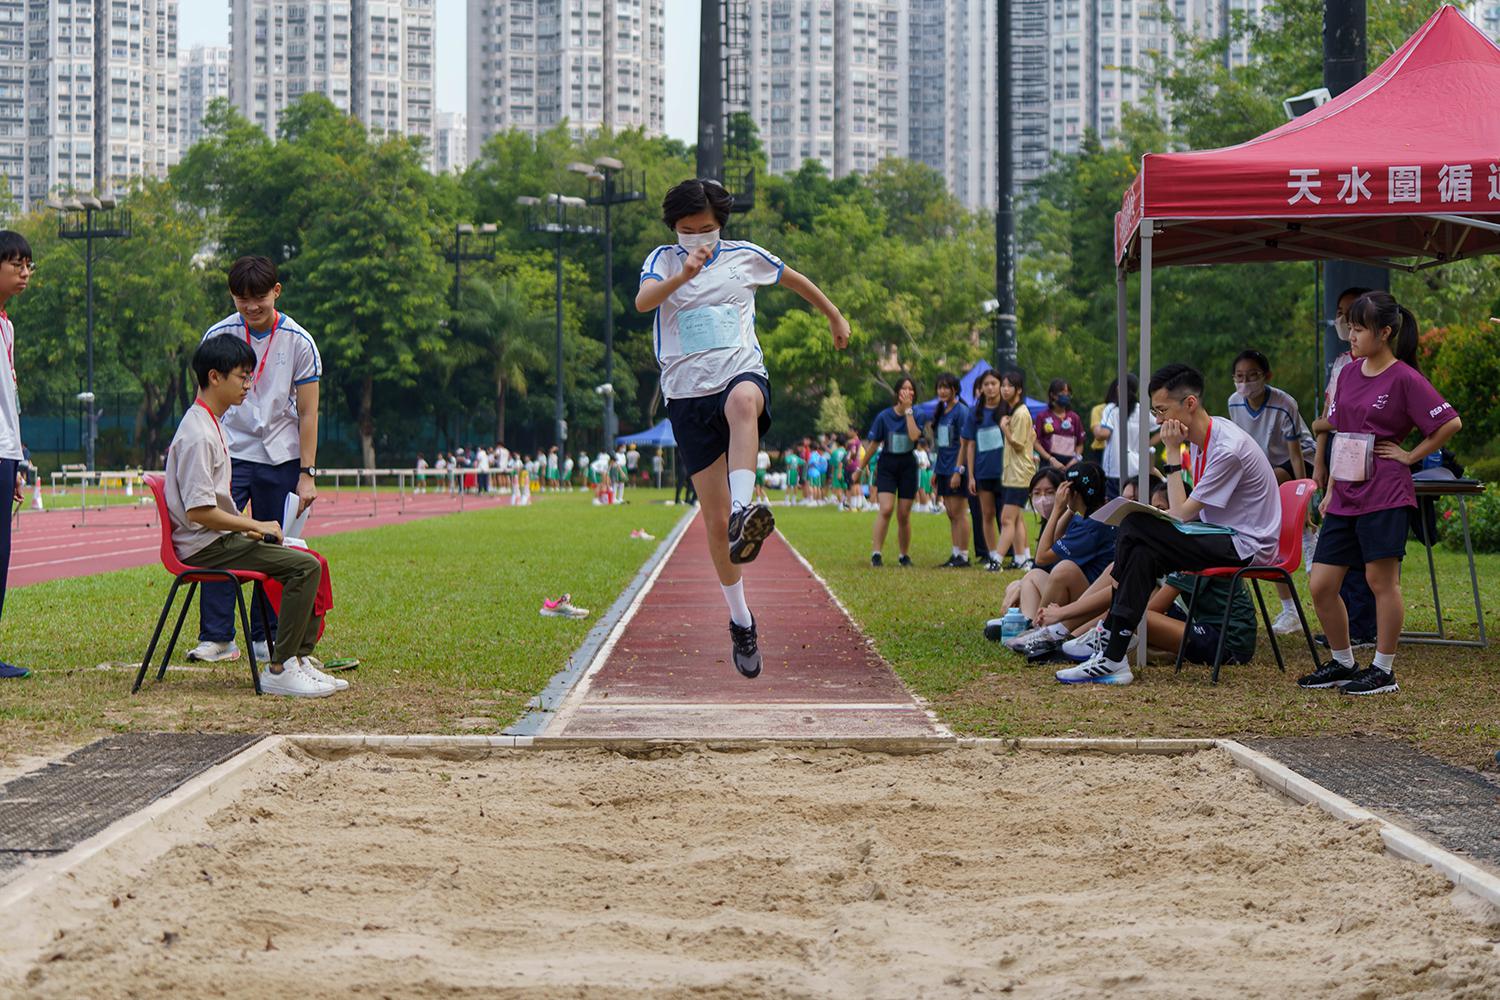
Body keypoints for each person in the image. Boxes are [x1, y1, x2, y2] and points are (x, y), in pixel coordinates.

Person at [635, 177, 849, 678]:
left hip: (737, 372)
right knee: (713, 527)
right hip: (686, 394)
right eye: (687, 230)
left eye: (705, 229)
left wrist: (834, 315)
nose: (697, 237)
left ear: (721, 225)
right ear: (674, 228)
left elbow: (794, 279)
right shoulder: (662, 261)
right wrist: (683, 275)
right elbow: (644, 302)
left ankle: (743, 508)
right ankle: (741, 620)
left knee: (745, 400)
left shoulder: (743, 257)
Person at [1056, 363, 1281, 686]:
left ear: (1189, 403)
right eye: (1155, 412)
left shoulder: (1226, 449)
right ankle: (1114, 655)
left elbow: (1180, 514)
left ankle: (1110, 630)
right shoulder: (1205, 439)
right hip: (1221, 535)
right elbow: (1185, 514)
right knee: (1142, 551)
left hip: (1247, 547)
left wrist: (1172, 454)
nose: (1159, 421)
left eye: (1162, 411)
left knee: (1135, 524)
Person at [1301, 292, 1460, 696]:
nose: (1351, 336)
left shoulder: (1405, 377)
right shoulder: (1349, 373)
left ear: (1385, 332)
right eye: (1350, 328)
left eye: (1359, 329)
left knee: (1380, 581)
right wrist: (1331, 488)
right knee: (1321, 583)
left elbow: (1449, 423)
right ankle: (1342, 662)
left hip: (1385, 491)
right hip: (1345, 491)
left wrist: (1409, 456)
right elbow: (1340, 431)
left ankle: (1383, 670)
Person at [166, 337, 339, 696]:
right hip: (206, 548)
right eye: (242, 377)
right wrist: (254, 525)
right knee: (304, 568)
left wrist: (252, 531)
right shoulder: (198, 434)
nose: (248, 385)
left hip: (219, 541)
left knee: (309, 559)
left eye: (250, 376)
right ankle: (281, 667)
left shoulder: (212, 423)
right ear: (214, 377)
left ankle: (298, 659)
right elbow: (199, 512)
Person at [189, 256, 322, 667]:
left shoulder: (299, 341)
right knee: (217, 537)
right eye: (241, 298)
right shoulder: (219, 335)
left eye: (259, 297)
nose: (251, 306)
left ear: (276, 292)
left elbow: (309, 413)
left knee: (273, 543)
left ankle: (265, 635)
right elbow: (202, 400)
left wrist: (307, 474)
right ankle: (217, 636)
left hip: (280, 455)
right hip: (229, 452)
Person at [1226, 349, 1315, 635]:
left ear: (1267, 376)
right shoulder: (1234, 403)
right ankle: (1290, 610)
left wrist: (1305, 498)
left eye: (1252, 376)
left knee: (1275, 484)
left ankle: (1305, 532)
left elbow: (1296, 455)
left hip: (1299, 460)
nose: (1245, 383)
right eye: (1240, 377)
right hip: (1263, 466)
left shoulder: (1284, 404)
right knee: (1267, 527)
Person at [1311, 285, 1378, 650]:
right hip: (1341, 459)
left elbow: (1341, 420)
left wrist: (1322, 425)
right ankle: (1348, 629)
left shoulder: (1385, 369)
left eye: (1354, 318)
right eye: (1342, 315)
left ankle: (1365, 627)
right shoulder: (1342, 364)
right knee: (1337, 552)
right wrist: (1320, 462)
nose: (1346, 324)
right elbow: (1330, 417)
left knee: (1368, 555)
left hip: (1367, 465)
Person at [1006, 463, 1117, 659]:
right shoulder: (1086, 516)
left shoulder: (1092, 526)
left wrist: (1058, 509)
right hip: (1082, 593)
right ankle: (1029, 625)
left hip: (1089, 604)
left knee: (1064, 570)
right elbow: (1056, 540)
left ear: (1074, 493)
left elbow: (1042, 556)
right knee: (1033, 575)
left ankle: (1041, 631)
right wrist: (1070, 509)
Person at [0, 233, 31, 679]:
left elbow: (10, 401)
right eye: (16, 264)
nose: (25, 273)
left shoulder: (6, 326)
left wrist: (17, 459)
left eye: (29, 265)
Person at [854, 376, 922, 567]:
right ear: (897, 392)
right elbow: (873, 445)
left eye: (911, 389)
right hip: (887, 465)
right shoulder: (884, 417)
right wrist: (859, 469)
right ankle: (876, 553)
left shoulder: (918, 414)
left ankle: (904, 555)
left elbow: (914, 436)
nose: (907, 392)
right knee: (886, 509)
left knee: (904, 514)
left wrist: (908, 412)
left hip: (908, 464)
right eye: (904, 388)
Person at [962, 370, 1010, 571]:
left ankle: (1017, 556)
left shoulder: (1009, 409)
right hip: (983, 472)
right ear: (981, 388)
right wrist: (971, 475)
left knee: (1007, 516)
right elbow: (970, 445)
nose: (990, 387)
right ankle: (992, 556)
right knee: (987, 514)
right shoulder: (975, 412)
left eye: (994, 383)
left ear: (1000, 385)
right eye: (986, 384)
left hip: (1007, 472)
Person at [923, 372, 971, 567]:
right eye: (939, 387)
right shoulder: (941, 412)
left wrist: (958, 470)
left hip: (956, 469)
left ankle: (964, 556)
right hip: (942, 469)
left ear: (954, 390)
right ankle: (955, 553)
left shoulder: (962, 412)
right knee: (950, 512)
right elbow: (941, 446)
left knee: (959, 513)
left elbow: (965, 444)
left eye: (946, 387)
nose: (942, 391)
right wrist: (936, 470)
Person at [996, 370, 1038, 568]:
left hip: (1020, 474)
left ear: (1019, 390)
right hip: (1015, 472)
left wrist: (1005, 429)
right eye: (1003, 385)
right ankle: (1023, 558)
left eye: (1009, 386)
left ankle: (996, 560)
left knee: (1006, 519)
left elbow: (1019, 444)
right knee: (1017, 518)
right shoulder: (1015, 412)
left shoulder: (1020, 413)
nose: (1005, 389)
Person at [1095, 374, 1158, 499]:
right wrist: (1148, 444)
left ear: (1119, 388)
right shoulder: (1141, 410)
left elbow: (1104, 434)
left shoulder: (1111, 409)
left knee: (1114, 504)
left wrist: (1096, 429)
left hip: (1115, 468)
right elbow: (1161, 426)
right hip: (1136, 467)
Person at [1034, 378, 1086, 472]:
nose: (1066, 395)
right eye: (1062, 392)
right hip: (1049, 466)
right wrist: (1051, 459)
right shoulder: (1042, 416)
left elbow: (1080, 443)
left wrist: (1075, 460)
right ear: (1053, 395)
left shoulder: (1074, 417)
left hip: (1071, 466)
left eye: (1068, 393)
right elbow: (1035, 442)